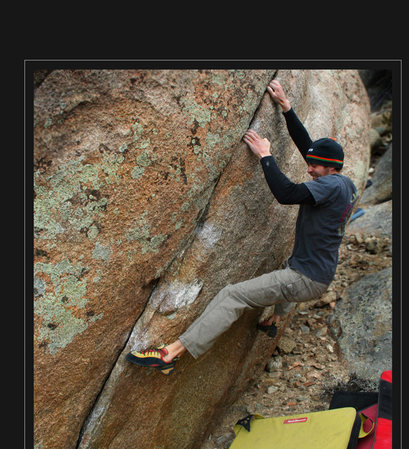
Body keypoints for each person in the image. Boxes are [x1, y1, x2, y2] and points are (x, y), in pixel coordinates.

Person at [126, 79, 358, 375]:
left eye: (314, 167)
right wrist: (287, 109)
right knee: (287, 269)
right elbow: (310, 149)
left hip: (305, 278)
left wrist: (266, 156)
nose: (309, 169)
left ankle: (170, 354)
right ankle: (274, 320)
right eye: (309, 163)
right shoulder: (343, 183)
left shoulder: (329, 186)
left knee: (233, 295)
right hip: (317, 271)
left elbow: (286, 194)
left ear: (329, 169)